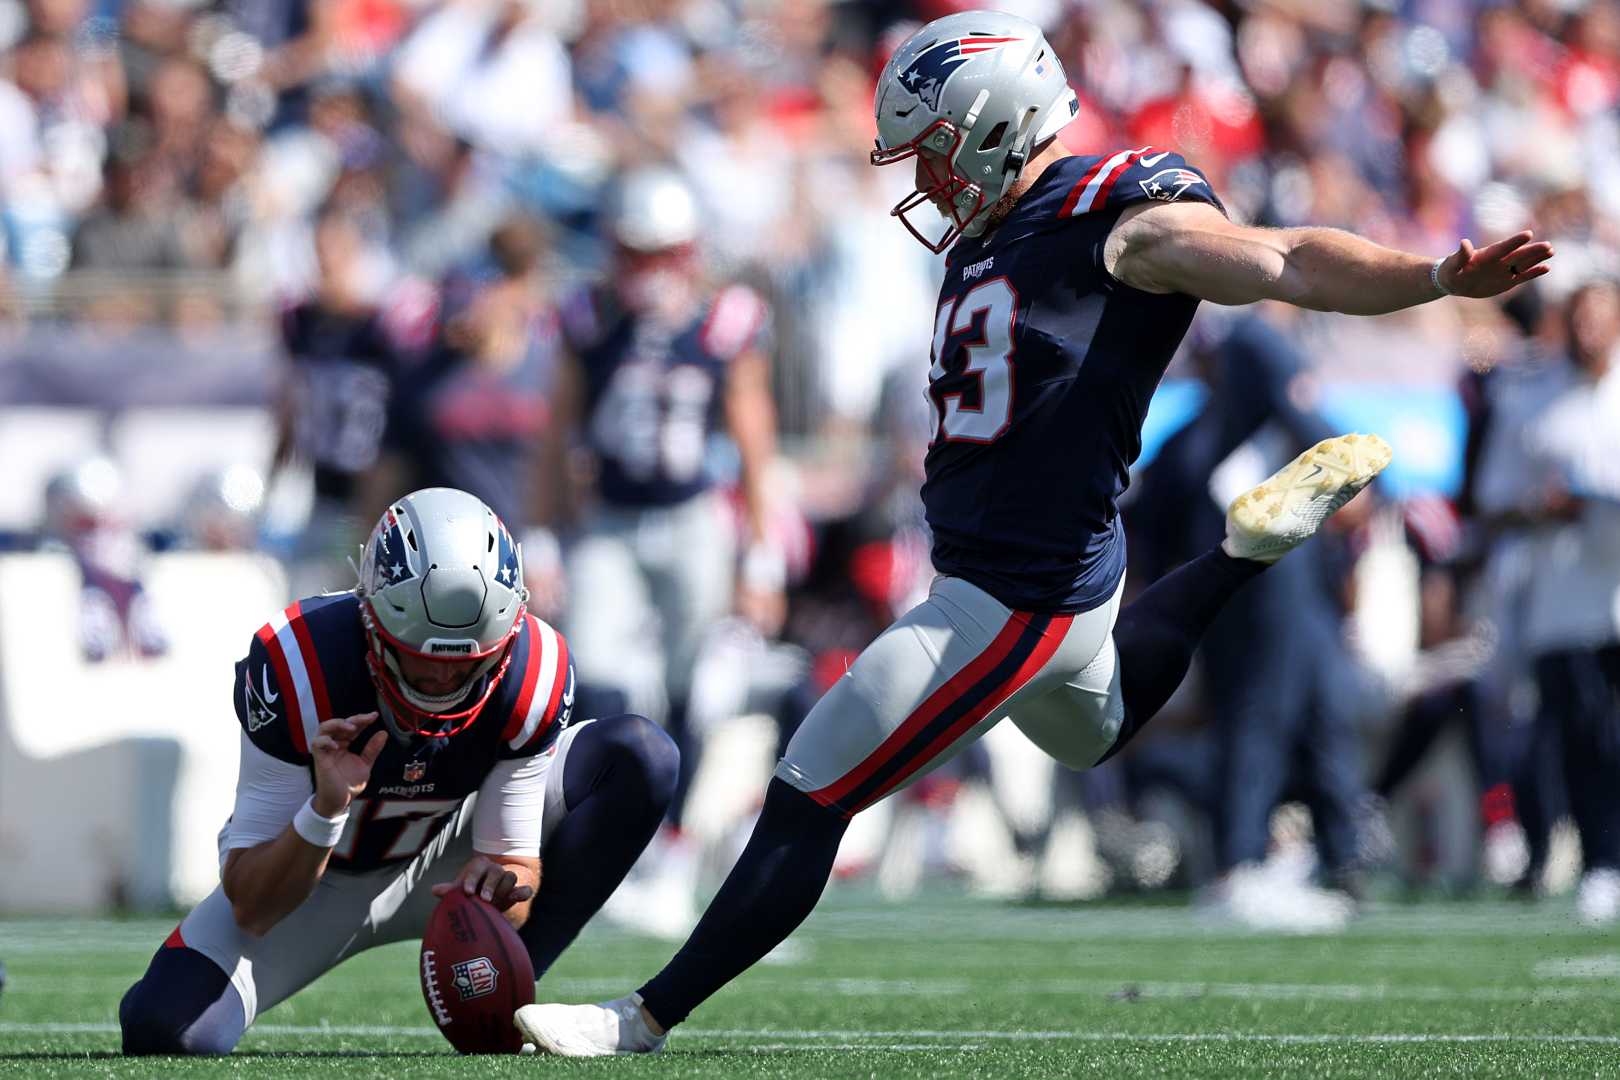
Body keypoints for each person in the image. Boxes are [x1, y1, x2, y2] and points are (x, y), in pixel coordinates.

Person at [516, 10, 1551, 1056]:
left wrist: (1429, 278)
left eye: (931, 150)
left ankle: (641, 1017)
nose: (921, 178)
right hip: (1067, 576)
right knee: (1092, 729)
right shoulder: (1000, 226)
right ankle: (1244, 550)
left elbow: (1284, 261)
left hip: (1012, 595)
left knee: (812, 781)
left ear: (992, 125)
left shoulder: (1124, 223)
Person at [118, 487, 678, 1055]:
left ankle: (506, 1001)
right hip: (315, 884)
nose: (442, 684)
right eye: (423, 660)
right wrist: (325, 809)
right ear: (370, 618)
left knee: (639, 755)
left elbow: (516, 873)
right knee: (166, 1032)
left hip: (446, 857)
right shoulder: (300, 663)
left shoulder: (536, 668)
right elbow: (253, 906)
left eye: (467, 663)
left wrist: (504, 888)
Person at [553, 166, 784, 932]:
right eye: (632, 252)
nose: (645, 270)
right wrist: (544, 534)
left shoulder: (724, 321)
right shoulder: (585, 316)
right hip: (611, 521)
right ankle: (605, 847)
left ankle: (674, 850)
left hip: (692, 518)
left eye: (661, 253)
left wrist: (761, 551)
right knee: (596, 680)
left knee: (700, 687)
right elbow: (555, 435)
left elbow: (753, 435)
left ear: (687, 252)